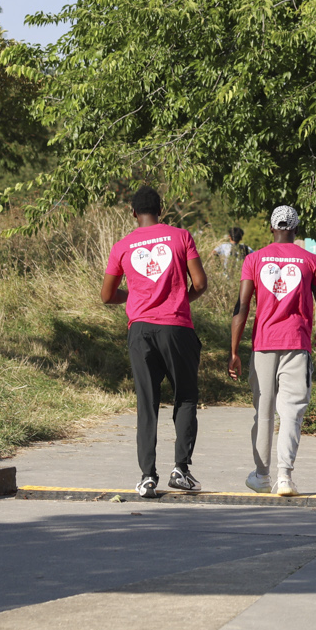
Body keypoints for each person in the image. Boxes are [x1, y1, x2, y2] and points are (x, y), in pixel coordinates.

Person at [100, 185, 209, 499]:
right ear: (161, 210)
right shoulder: (180, 236)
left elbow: (107, 296)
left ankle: (148, 477)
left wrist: (133, 296)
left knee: (146, 404)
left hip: (140, 331)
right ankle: (181, 470)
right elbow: (200, 283)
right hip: (177, 328)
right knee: (185, 397)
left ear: (132, 212)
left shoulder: (123, 245)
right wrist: (180, 301)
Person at [227, 205, 316, 497]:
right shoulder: (312, 260)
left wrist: (234, 349)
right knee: (291, 412)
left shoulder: (254, 259)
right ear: (296, 229)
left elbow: (242, 306)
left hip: (263, 345)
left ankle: (261, 476)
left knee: (263, 412)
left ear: (271, 228)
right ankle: (284, 477)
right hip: (296, 343)